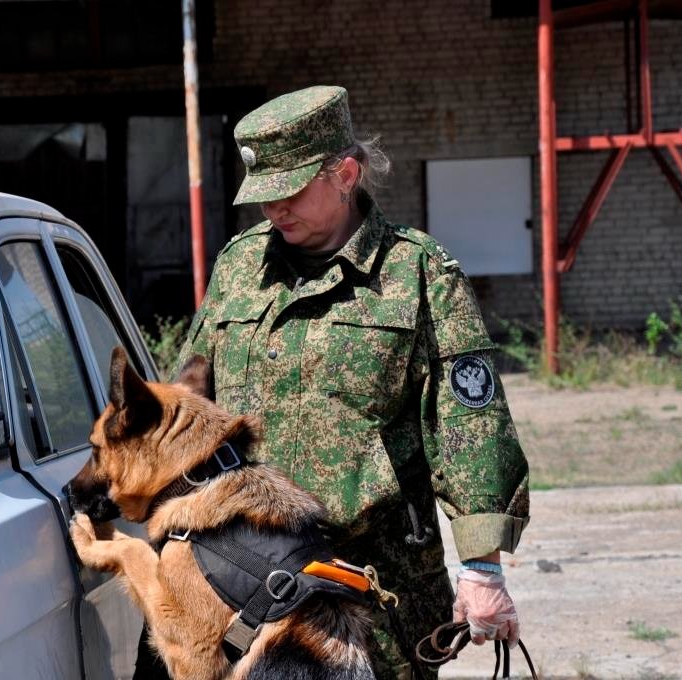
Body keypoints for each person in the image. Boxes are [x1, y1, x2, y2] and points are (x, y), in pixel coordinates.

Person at [169, 85, 530, 679]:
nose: (273, 210)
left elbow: (472, 428)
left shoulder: (418, 272)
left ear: (345, 173)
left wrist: (483, 570)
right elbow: (191, 401)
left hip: (371, 590)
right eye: (264, 196)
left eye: (289, 192)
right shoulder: (239, 266)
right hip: (246, 581)